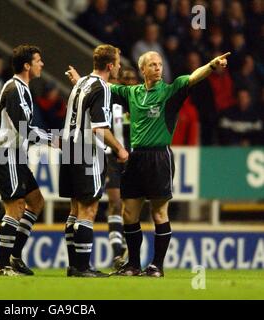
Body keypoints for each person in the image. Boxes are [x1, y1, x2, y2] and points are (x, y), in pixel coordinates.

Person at [67, 51, 230, 277]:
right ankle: (133, 264)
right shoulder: (131, 92)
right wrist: (81, 83)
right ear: (142, 69)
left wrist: (212, 65)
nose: (157, 68)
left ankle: (157, 266)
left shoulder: (171, 90)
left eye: (160, 64)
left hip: (159, 158)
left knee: (159, 213)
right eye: (152, 64)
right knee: (129, 213)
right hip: (135, 158)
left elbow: (194, 77)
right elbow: (102, 86)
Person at [61, 44, 129, 277]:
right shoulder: (102, 87)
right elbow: (100, 128)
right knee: (88, 209)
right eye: (118, 62)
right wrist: (120, 148)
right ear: (110, 66)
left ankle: (74, 265)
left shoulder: (82, 82)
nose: (119, 66)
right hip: (86, 149)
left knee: (74, 209)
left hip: (69, 147)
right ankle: (82, 267)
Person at [0, 45, 56, 276]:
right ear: (27, 65)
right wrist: (52, 139)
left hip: (15, 155)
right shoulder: (16, 89)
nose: (42, 64)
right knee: (15, 208)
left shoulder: (23, 89)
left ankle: (14, 256)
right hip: (5, 153)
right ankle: (2, 265)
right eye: (39, 60)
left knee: (36, 202)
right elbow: (24, 129)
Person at [105, 67, 138, 269]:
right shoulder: (110, 103)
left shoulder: (139, 103)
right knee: (115, 203)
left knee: (131, 209)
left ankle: (126, 249)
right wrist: (116, 149)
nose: (129, 82)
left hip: (135, 160)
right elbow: (103, 128)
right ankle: (117, 254)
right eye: (125, 79)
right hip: (113, 159)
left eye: (132, 79)